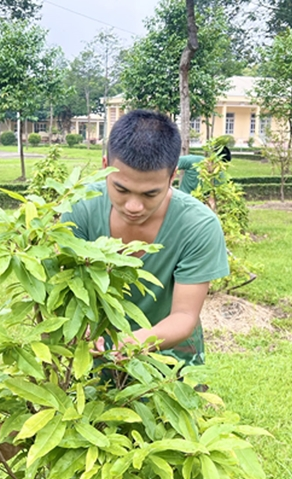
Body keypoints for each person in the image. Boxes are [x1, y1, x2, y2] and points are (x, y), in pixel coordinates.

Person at [62, 110, 229, 366]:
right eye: (121, 189)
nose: (133, 206)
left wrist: (135, 341)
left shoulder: (198, 226)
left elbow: (184, 315)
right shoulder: (80, 207)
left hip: (170, 358)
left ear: (172, 177)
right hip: (93, 353)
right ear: (105, 167)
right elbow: (66, 288)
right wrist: (78, 328)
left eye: (150, 194)